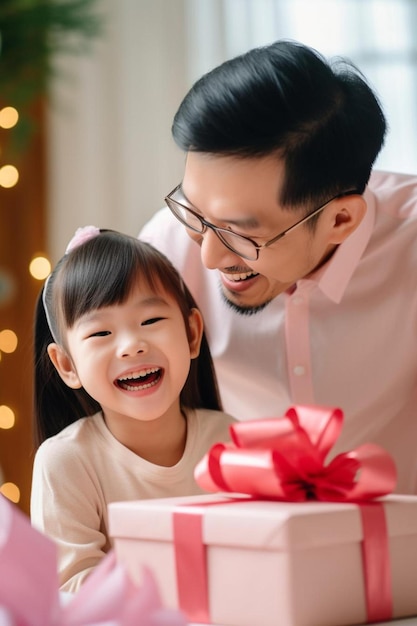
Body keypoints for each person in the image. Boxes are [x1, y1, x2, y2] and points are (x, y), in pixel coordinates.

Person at [139, 39, 417, 495]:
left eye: (240, 232)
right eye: (195, 210)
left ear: (340, 220)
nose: (208, 256)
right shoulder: (166, 252)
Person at [30, 226, 236, 593]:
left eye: (151, 321)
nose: (131, 346)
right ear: (67, 365)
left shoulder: (230, 441)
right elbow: (72, 588)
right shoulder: (65, 462)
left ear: (191, 333)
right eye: (100, 334)